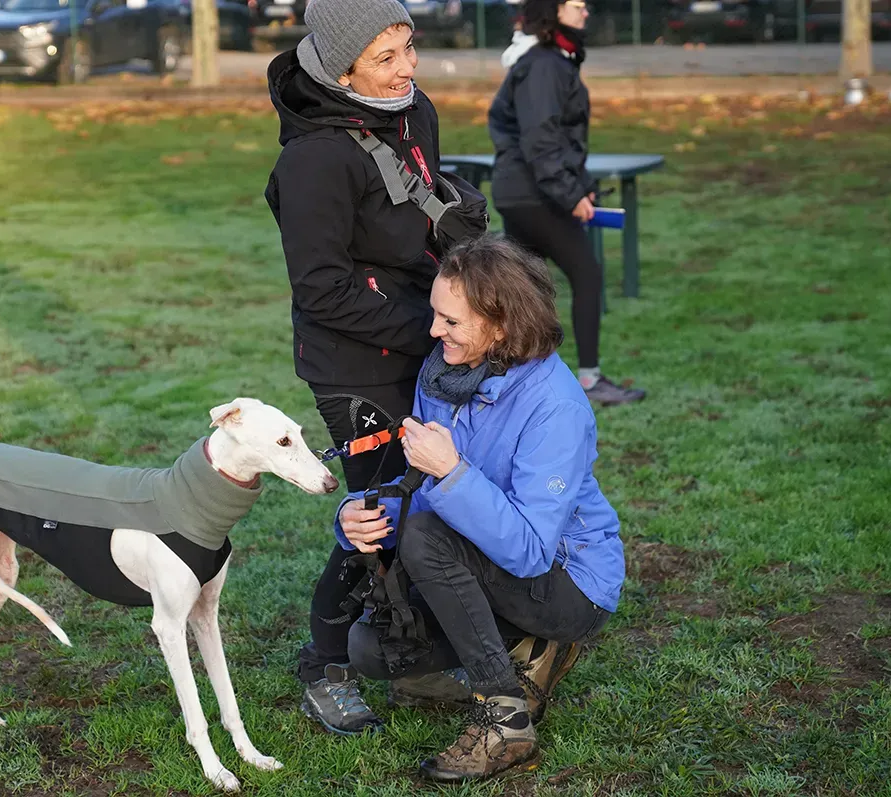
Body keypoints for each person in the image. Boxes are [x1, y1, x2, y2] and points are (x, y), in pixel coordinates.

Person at [338, 234, 625, 781]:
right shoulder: (444, 375)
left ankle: (504, 718)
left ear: (501, 325)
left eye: (450, 321)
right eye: (435, 316)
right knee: (372, 648)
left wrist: (453, 472)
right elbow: (417, 488)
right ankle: (524, 653)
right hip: (479, 564)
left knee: (425, 537)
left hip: (569, 584)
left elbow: (531, 552)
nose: (433, 332)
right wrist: (358, 514)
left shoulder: (556, 406)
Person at [263, 0, 445, 735]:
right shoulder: (310, 160)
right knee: (377, 513)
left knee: (434, 497)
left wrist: (456, 214)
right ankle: (326, 664)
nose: (408, 67)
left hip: (425, 336)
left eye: (409, 46)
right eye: (386, 57)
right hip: (353, 360)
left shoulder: (412, 109)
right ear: (341, 70)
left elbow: (416, 204)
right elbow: (321, 289)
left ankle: (414, 650)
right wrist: (430, 328)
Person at [488, 0, 647, 406]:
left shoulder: (550, 59)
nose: (587, 12)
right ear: (554, 11)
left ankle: (515, 382)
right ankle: (590, 380)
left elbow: (558, 139)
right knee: (586, 276)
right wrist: (569, 193)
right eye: (577, 5)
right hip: (534, 195)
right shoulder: (543, 64)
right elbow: (540, 140)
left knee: (526, 290)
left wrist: (584, 186)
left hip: (524, 191)